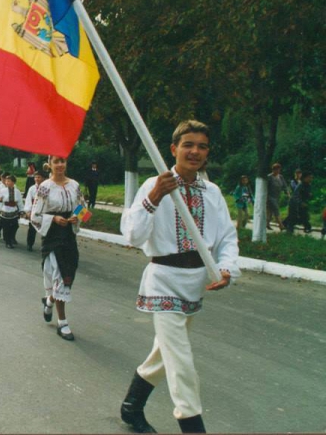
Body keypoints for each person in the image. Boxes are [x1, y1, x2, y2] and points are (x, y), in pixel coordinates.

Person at [119, 120, 239, 434]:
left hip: (195, 283)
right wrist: (154, 197)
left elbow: (226, 237)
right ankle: (192, 426)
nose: (195, 151)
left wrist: (226, 268)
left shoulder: (211, 192)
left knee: (166, 352)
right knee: (181, 359)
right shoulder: (154, 184)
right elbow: (132, 235)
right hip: (163, 281)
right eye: (188, 145)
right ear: (174, 149)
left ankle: (132, 406)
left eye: (202, 146)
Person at [31, 156, 86, 342]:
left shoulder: (74, 185)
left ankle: (49, 301)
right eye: (56, 161)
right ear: (50, 164)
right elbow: (35, 215)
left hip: (69, 236)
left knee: (67, 277)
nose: (60, 165)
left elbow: (83, 208)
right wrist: (53, 219)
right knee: (60, 277)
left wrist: (76, 217)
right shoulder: (45, 187)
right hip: (53, 237)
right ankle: (62, 322)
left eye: (63, 161)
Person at [0, 174, 24, 249]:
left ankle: (12, 237)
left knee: (15, 225)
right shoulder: (3, 190)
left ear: (13, 182)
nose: (6, 182)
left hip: (14, 210)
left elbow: (20, 202)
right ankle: (8, 242)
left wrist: (22, 210)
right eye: (6, 181)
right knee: (6, 227)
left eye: (8, 181)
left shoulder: (17, 191)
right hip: (5, 210)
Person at [24, 170, 46, 252]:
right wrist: (28, 211)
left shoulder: (46, 188)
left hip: (43, 212)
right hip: (34, 212)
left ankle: (44, 245)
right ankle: (30, 244)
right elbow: (28, 200)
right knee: (32, 229)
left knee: (45, 229)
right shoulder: (32, 188)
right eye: (35, 177)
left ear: (43, 178)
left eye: (39, 177)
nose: (37, 179)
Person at [266, 163, 290, 231]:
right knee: (276, 210)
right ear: (273, 170)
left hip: (277, 196)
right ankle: (281, 225)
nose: (277, 171)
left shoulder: (281, 177)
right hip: (270, 196)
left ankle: (267, 224)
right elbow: (266, 187)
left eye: (278, 169)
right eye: (276, 169)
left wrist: (287, 193)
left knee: (270, 211)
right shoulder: (269, 177)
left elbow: (285, 186)